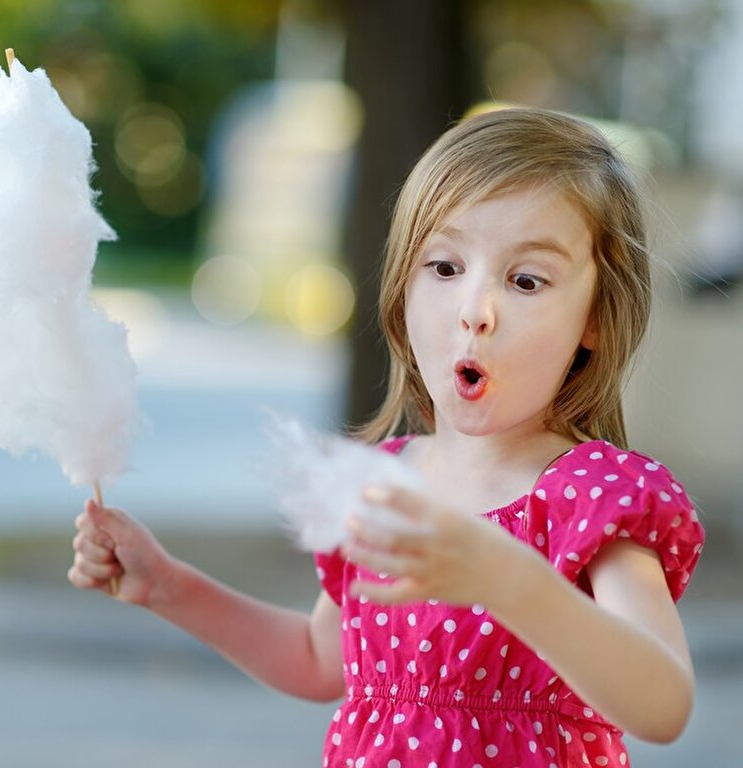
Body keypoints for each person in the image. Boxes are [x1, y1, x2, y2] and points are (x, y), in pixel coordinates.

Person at [69, 107, 705, 767]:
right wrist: (169, 585)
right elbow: (321, 661)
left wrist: (510, 580)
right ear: (404, 288)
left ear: (594, 321)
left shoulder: (595, 497)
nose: (475, 312)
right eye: (445, 267)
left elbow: (662, 704)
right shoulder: (386, 485)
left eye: (525, 281)